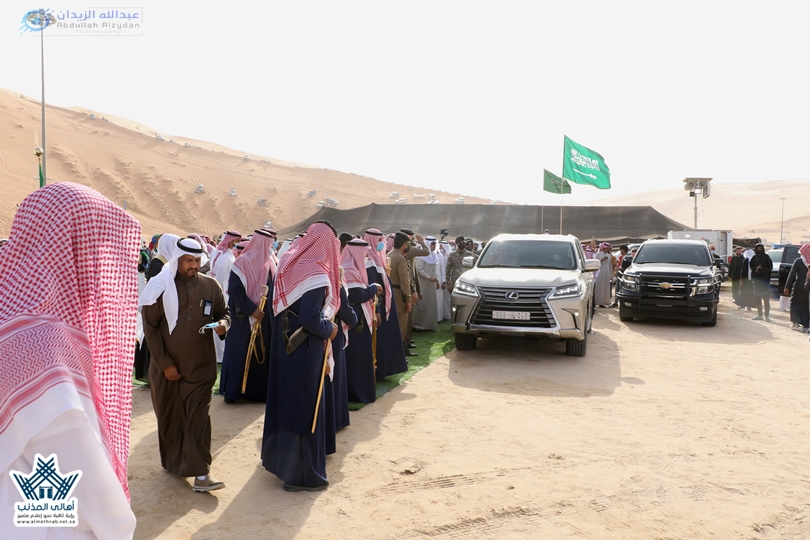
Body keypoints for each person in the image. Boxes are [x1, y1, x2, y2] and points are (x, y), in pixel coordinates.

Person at [0, 182, 140, 538]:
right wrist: (120, 527)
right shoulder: (43, 344)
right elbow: (81, 477)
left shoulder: (11, 321)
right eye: (101, 252)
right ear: (76, 249)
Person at [140, 237, 231, 492]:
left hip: (200, 368)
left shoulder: (210, 286)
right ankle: (174, 463)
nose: (194, 265)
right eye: (188, 260)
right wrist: (165, 364)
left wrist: (223, 324)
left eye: (197, 260)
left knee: (197, 421)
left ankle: (201, 475)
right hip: (166, 371)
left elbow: (224, 313)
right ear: (177, 259)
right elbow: (151, 328)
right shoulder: (160, 287)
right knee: (170, 420)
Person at [262, 221, 340, 492]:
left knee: (289, 406)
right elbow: (309, 319)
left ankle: (284, 467)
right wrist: (329, 329)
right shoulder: (316, 272)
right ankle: (302, 476)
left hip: (286, 350)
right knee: (306, 410)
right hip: (305, 351)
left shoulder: (289, 263)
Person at [220, 229, 276, 402]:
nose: (271, 247)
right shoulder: (242, 263)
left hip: (263, 318)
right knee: (239, 353)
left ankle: (255, 392)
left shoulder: (270, 263)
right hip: (242, 318)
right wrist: (252, 310)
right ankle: (234, 392)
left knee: (259, 353)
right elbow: (235, 292)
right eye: (269, 243)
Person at [363, 229, 408, 381]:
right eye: (379, 241)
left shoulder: (378, 258)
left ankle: (385, 368)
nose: (382, 244)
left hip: (384, 305)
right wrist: (377, 309)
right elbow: (373, 286)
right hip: (377, 307)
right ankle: (378, 370)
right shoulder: (369, 262)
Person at [341, 238, 381, 404]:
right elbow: (358, 295)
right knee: (355, 358)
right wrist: (373, 288)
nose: (366, 257)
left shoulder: (356, 268)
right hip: (354, 321)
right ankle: (356, 393)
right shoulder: (348, 269)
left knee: (361, 357)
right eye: (364, 254)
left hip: (360, 318)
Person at [388, 233, 415, 356]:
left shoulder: (389, 255)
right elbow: (405, 281)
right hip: (399, 295)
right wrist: (408, 299)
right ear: (404, 244)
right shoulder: (400, 258)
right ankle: (398, 355)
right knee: (401, 325)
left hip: (390, 293)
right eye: (407, 244)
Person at [414, 236, 440, 331]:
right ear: (428, 244)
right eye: (432, 244)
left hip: (431, 284)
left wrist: (436, 280)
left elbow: (434, 270)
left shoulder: (433, 256)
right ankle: (418, 325)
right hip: (423, 283)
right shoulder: (421, 256)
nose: (434, 246)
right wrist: (429, 277)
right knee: (422, 303)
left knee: (430, 304)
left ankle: (429, 325)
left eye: (435, 244)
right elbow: (418, 269)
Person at [786, 246, 809, 332]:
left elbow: (791, 275)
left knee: (795, 303)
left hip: (798, 286)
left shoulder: (798, 261)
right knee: (806, 305)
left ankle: (795, 323)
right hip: (808, 287)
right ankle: (806, 326)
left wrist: (787, 286)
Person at [749, 243, 773, 322]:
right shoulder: (754, 257)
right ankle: (760, 315)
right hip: (756, 281)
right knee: (757, 299)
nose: (759, 250)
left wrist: (762, 270)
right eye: (757, 248)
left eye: (760, 248)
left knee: (766, 300)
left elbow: (770, 267)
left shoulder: (766, 257)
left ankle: (767, 316)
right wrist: (756, 269)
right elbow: (751, 266)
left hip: (764, 281)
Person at [594, 242, 613, 307]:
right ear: (604, 248)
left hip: (606, 273)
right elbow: (595, 264)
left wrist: (611, 275)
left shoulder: (609, 256)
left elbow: (610, 266)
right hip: (600, 273)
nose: (608, 249)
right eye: (607, 248)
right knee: (600, 287)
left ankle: (604, 302)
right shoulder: (598, 254)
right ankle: (598, 302)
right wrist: (601, 260)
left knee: (605, 288)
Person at [436, 240, 451, 321]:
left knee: (447, 299)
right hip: (441, 279)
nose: (440, 247)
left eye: (442, 246)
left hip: (448, 279)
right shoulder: (439, 256)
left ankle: (447, 316)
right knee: (440, 299)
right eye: (440, 246)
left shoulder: (449, 256)